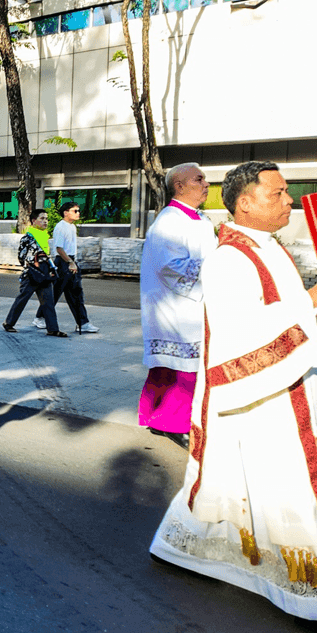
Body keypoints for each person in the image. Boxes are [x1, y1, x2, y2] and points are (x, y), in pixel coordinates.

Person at [150, 161, 317, 633]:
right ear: (245, 202)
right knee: (290, 493)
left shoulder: (268, 247)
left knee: (227, 483)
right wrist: (311, 300)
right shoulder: (229, 258)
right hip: (259, 399)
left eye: (287, 193)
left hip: (280, 386)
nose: (289, 202)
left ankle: (181, 549)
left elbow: (285, 310)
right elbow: (240, 335)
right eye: (277, 194)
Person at [139, 163, 216, 446]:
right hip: (176, 306)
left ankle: (157, 418)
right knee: (182, 369)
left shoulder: (200, 219)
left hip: (192, 303)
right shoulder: (170, 220)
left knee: (173, 367)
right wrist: (217, 269)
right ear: (180, 186)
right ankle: (174, 423)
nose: (206, 183)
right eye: (199, 179)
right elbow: (170, 266)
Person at [1, 212, 65, 336]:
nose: (45, 221)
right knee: (22, 299)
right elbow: (21, 257)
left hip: (45, 273)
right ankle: (8, 323)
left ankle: (53, 329)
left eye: (46, 219)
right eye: (42, 218)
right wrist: (32, 267)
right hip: (32, 273)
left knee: (48, 302)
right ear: (33, 221)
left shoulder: (44, 236)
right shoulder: (28, 237)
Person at [50, 202, 99, 333]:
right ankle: (40, 317)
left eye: (78, 210)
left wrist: (73, 261)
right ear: (66, 212)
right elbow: (59, 249)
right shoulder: (60, 227)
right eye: (75, 211)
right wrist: (70, 262)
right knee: (55, 293)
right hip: (63, 262)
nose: (78, 213)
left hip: (70, 260)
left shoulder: (71, 227)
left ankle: (83, 323)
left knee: (76, 293)